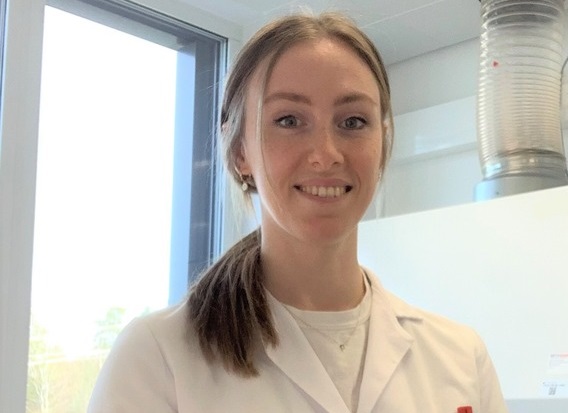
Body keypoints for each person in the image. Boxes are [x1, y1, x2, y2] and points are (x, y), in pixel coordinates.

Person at [88, 11, 508, 413]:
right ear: (240, 153)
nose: (326, 155)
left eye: (353, 121)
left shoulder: (461, 357)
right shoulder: (157, 357)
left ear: (382, 145)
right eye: (289, 120)